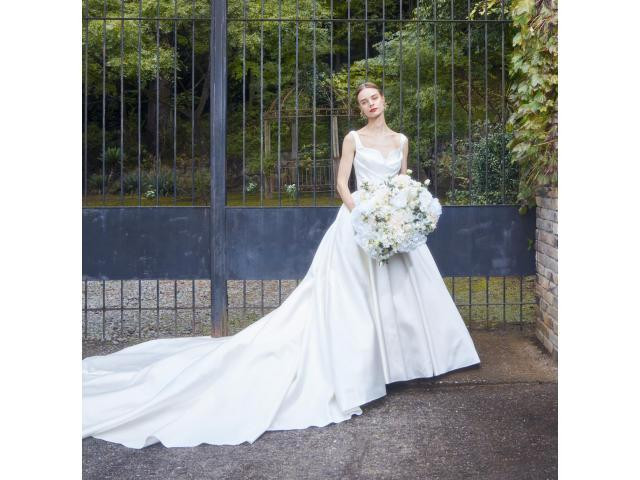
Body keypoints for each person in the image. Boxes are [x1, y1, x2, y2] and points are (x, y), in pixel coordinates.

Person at [82, 81, 481, 449]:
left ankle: (406, 361)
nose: (370, 104)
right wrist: (364, 216)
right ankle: (364, 368)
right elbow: (342, 184)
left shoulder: (402, 140)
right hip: (360, 221)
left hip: (393, 221)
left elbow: (404, 180)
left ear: (384, 101)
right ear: (360, 109)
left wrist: (402, 212)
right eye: (363, 101)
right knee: (355, 298)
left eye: (374, 97)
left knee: (401, 291)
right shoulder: (353, 138)